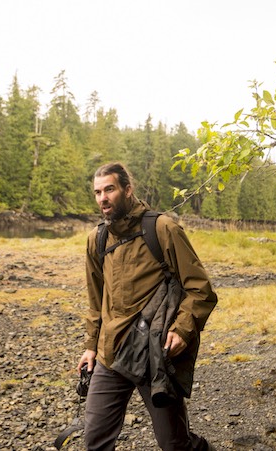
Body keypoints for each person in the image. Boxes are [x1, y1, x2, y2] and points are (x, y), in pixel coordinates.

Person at [77, 162, 218, 451]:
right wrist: (91, 346)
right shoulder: (97, 239)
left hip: (153, 354)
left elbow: (200, 289)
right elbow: (95, 300)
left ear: (128, 190)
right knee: (95, 440)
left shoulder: (162, 228)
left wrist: (182, 330)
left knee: (175, 444)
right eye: (97, 192)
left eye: (110, 189)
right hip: (110, 352)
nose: (102, 198)